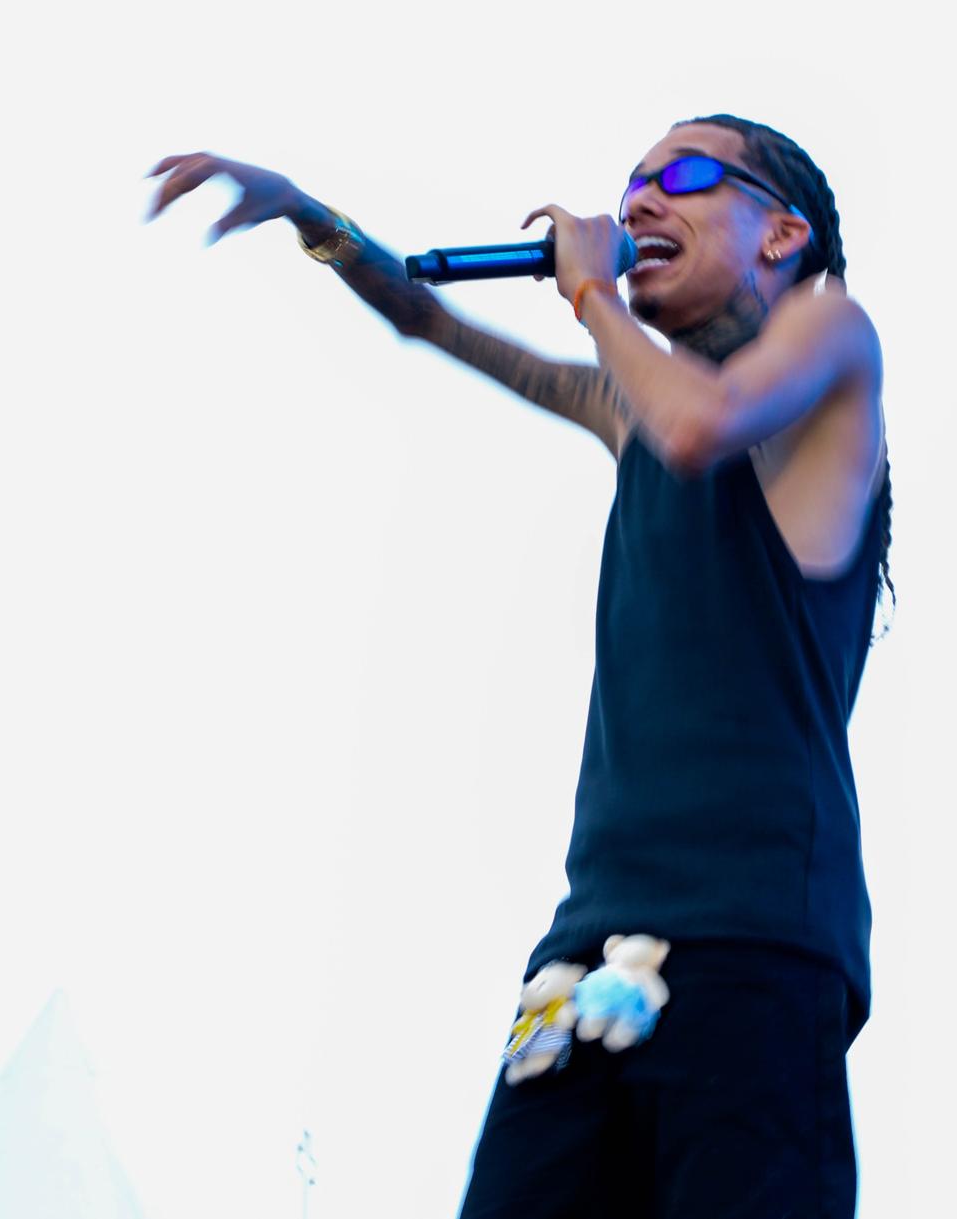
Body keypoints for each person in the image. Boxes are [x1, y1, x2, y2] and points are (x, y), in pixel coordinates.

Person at [146, 114, 893, 1218]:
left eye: (684, 176)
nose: (638, 202)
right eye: (630, 186)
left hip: (757, 941)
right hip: (589, 947)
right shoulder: (633, 404)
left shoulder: (834, 339)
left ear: (782, 234)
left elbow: (700, 427)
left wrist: (590, 291)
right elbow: (423, 313)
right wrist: (308, 213)